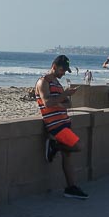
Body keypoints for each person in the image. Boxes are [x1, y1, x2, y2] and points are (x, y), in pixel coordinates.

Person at [36, 55, 88, 200]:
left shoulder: (57, 84)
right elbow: (47, 103)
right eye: (62, 69)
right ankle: (55, 146)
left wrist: (62, 99)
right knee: (79, 146)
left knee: (68, 155)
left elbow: (67, 104)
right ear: (54, 66)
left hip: (64, 121)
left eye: (65, 70)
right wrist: (64, 95)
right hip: (55, 124)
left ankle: (70, 187)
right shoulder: (43, 82)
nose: (63, 73)